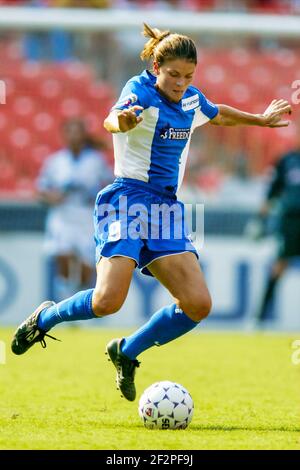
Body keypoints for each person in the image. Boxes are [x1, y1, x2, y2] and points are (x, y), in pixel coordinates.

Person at [11, 23, 292, 402]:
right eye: (173, 75)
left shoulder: (191, 100)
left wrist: (259, 119)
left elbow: (216, 113)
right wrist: (121, 122)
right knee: (107, 302)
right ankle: (44, 319)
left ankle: (126, 352)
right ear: (156, 67)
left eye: (188, 76)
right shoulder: (138, 90)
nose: (180, 83)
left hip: (166, 209)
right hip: (127, 200)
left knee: (198, 304)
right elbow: (114, 118)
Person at [36, 118, 113, 301]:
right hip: (63, 214)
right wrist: (52, 197)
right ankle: (64, 296)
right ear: (64, 136)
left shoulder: (96, 160)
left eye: (77, 131)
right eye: (69, 132)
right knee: (62, 253)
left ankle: (78, 296)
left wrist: (99, 196)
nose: (73, 136)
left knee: (87, 266)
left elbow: (110, 184)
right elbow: (41, 189)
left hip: (87, 215)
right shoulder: (55, 161)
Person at [254, 127, 300, 325]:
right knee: (279, 266)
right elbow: (273, 190)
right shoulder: (288, 160)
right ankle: (260, 318)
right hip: (290, 221)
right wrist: (260, 221)